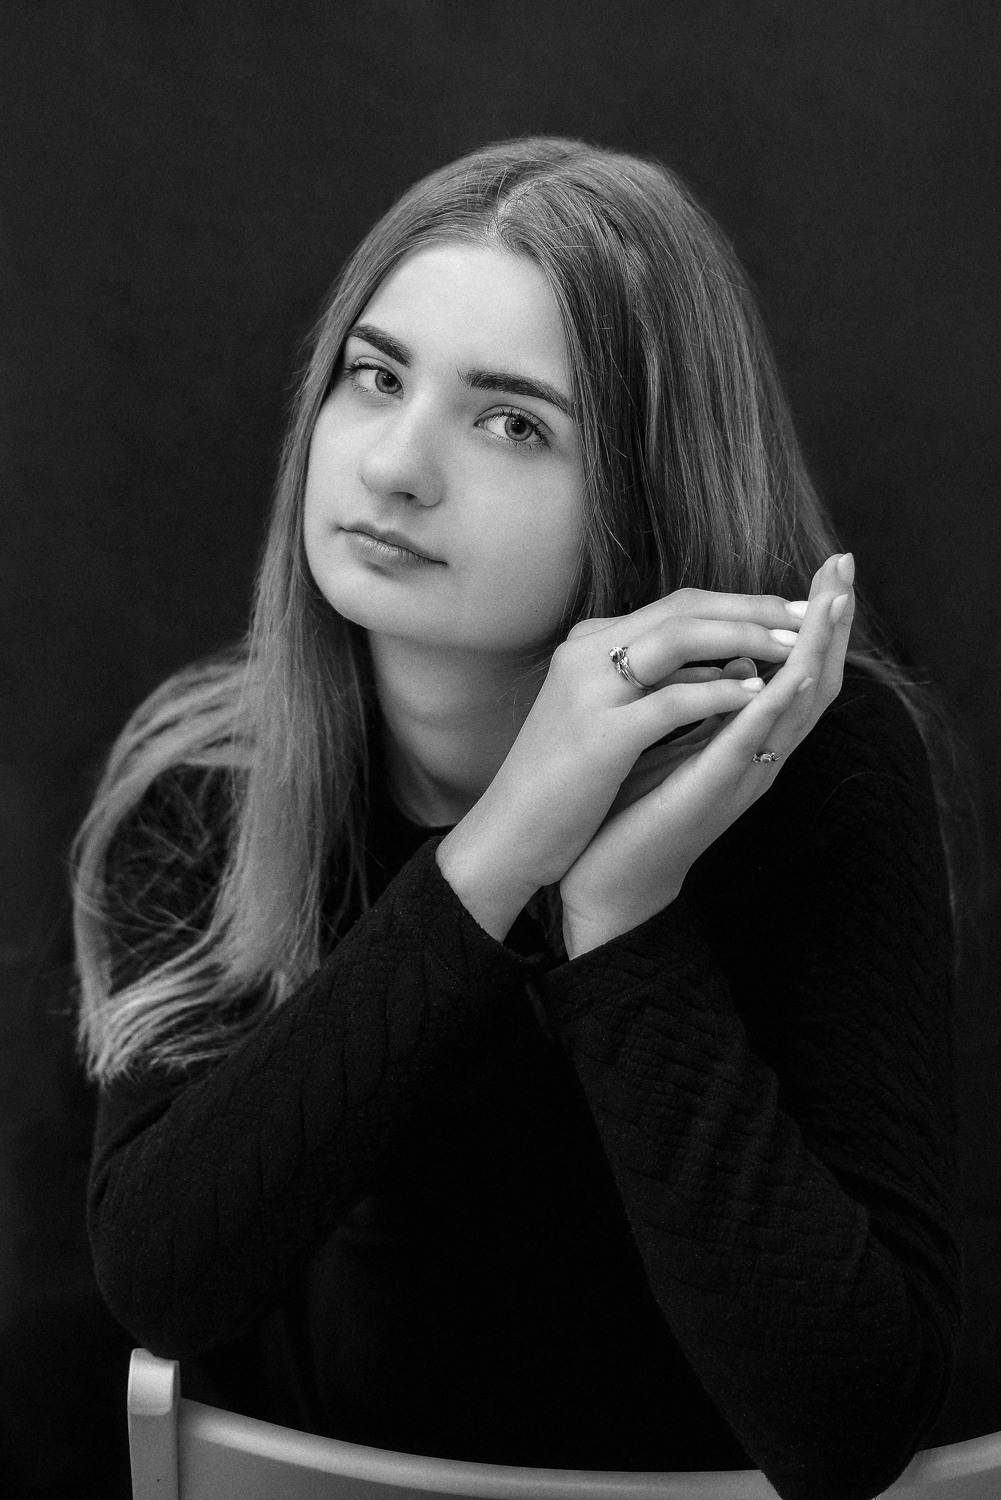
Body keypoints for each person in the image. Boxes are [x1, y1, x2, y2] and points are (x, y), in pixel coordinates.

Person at [73, 137, 960, 1500]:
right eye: (376, 378)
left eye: (513, 424)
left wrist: (620, 915)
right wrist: (495, 859)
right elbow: (163, 1285)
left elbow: (846, 1423)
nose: (394, 467)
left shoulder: (815, 769)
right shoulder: (210, 780)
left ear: (647, 493)